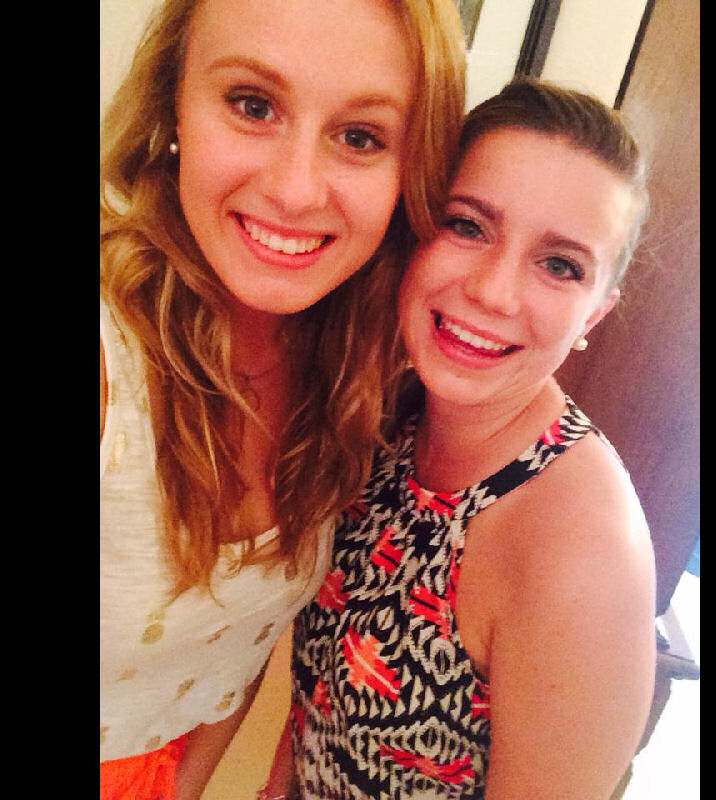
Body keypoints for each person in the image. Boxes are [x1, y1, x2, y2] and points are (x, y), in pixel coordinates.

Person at [99, 0, 466, 797]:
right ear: (172, 103)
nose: (295, 191)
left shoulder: (351, 367)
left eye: (360, 137)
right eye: (252, 104)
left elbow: (230, 660)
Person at [280, 77, 657, 799]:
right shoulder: (389, 413)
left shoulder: (584, 555)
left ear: (593, 316)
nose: (493, 291)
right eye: (468, 226)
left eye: (559, 265)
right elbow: (318, 691)